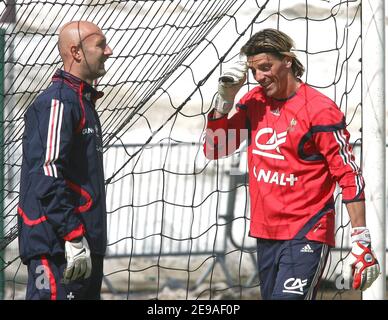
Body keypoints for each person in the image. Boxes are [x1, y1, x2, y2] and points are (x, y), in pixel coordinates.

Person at [203, 28, 380, 300]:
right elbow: (215, 150)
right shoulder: (254, 102)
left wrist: (361, 240)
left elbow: (349, 175)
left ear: (287, 60)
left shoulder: (319, 109)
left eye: (265, 67)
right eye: (254, 71)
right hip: (265, 233)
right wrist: (224, 101)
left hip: (307, 233)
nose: (260, 77)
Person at [17, 21, 113, 300]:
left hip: (81, 246)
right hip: (58, 248)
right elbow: (47, 172)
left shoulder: (81, 100)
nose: (109, 51)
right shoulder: (58, 101)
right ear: (77, 52)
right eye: (100, 44)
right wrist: (72, 235)